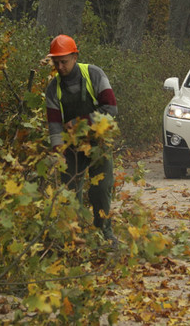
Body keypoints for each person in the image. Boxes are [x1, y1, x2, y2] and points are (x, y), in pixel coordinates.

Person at [44, 34, 118, 242]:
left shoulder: (94, 74)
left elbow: (111, 109)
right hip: (72, 148)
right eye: (55, 62)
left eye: (64, 61)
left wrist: (80, 123)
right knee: (70, 193)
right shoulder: (53, 89)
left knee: (101, 190)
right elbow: (55, 126)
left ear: (75, 56)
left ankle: (104, 233)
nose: (59, 66)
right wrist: (58, 152)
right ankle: (73, 237)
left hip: (98, 142)